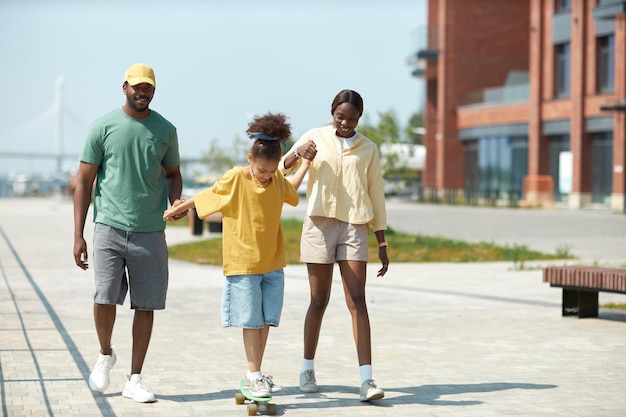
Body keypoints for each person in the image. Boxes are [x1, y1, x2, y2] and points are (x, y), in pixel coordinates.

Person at [163, 112, 311, 398]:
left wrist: (304, 164)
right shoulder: (236, 178)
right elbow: (209, 196)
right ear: (250, 159)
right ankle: (253, 374)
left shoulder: (276, 179)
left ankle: (255, 374)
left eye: (271, 172)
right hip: (243, 263)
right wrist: (180, 208)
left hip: (272, 263)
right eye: (262, 171)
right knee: (250, 320)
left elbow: (290, 191)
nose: (267, 177)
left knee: (267, 319)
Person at [73, 63, 185, 403]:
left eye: (148, 87)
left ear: (154, 91)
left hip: (150, 230)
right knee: (104, 296)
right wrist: (78, 234)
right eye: (137, 86)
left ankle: (135, 378)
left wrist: (175, 201)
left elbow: (173, 173)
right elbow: (83, 182)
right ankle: (105, 354)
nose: (143, 92)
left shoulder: (166, 129)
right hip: (108, 225)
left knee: (146, 305)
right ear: (124, 87)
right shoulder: (103, 127)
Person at [280, 89, 389, 402]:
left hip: (355, 226)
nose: (345, 123)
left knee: (358, 300)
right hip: (319, 224)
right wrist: (298, 152)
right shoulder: (315, 137)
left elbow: (376, 193)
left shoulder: (369, 148)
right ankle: (307, 368)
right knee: (318, 300)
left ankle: (367, 380)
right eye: (340, 117)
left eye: (352, 119)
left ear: (359, 118)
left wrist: (380, 238)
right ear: (332, 113)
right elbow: (280, 171)